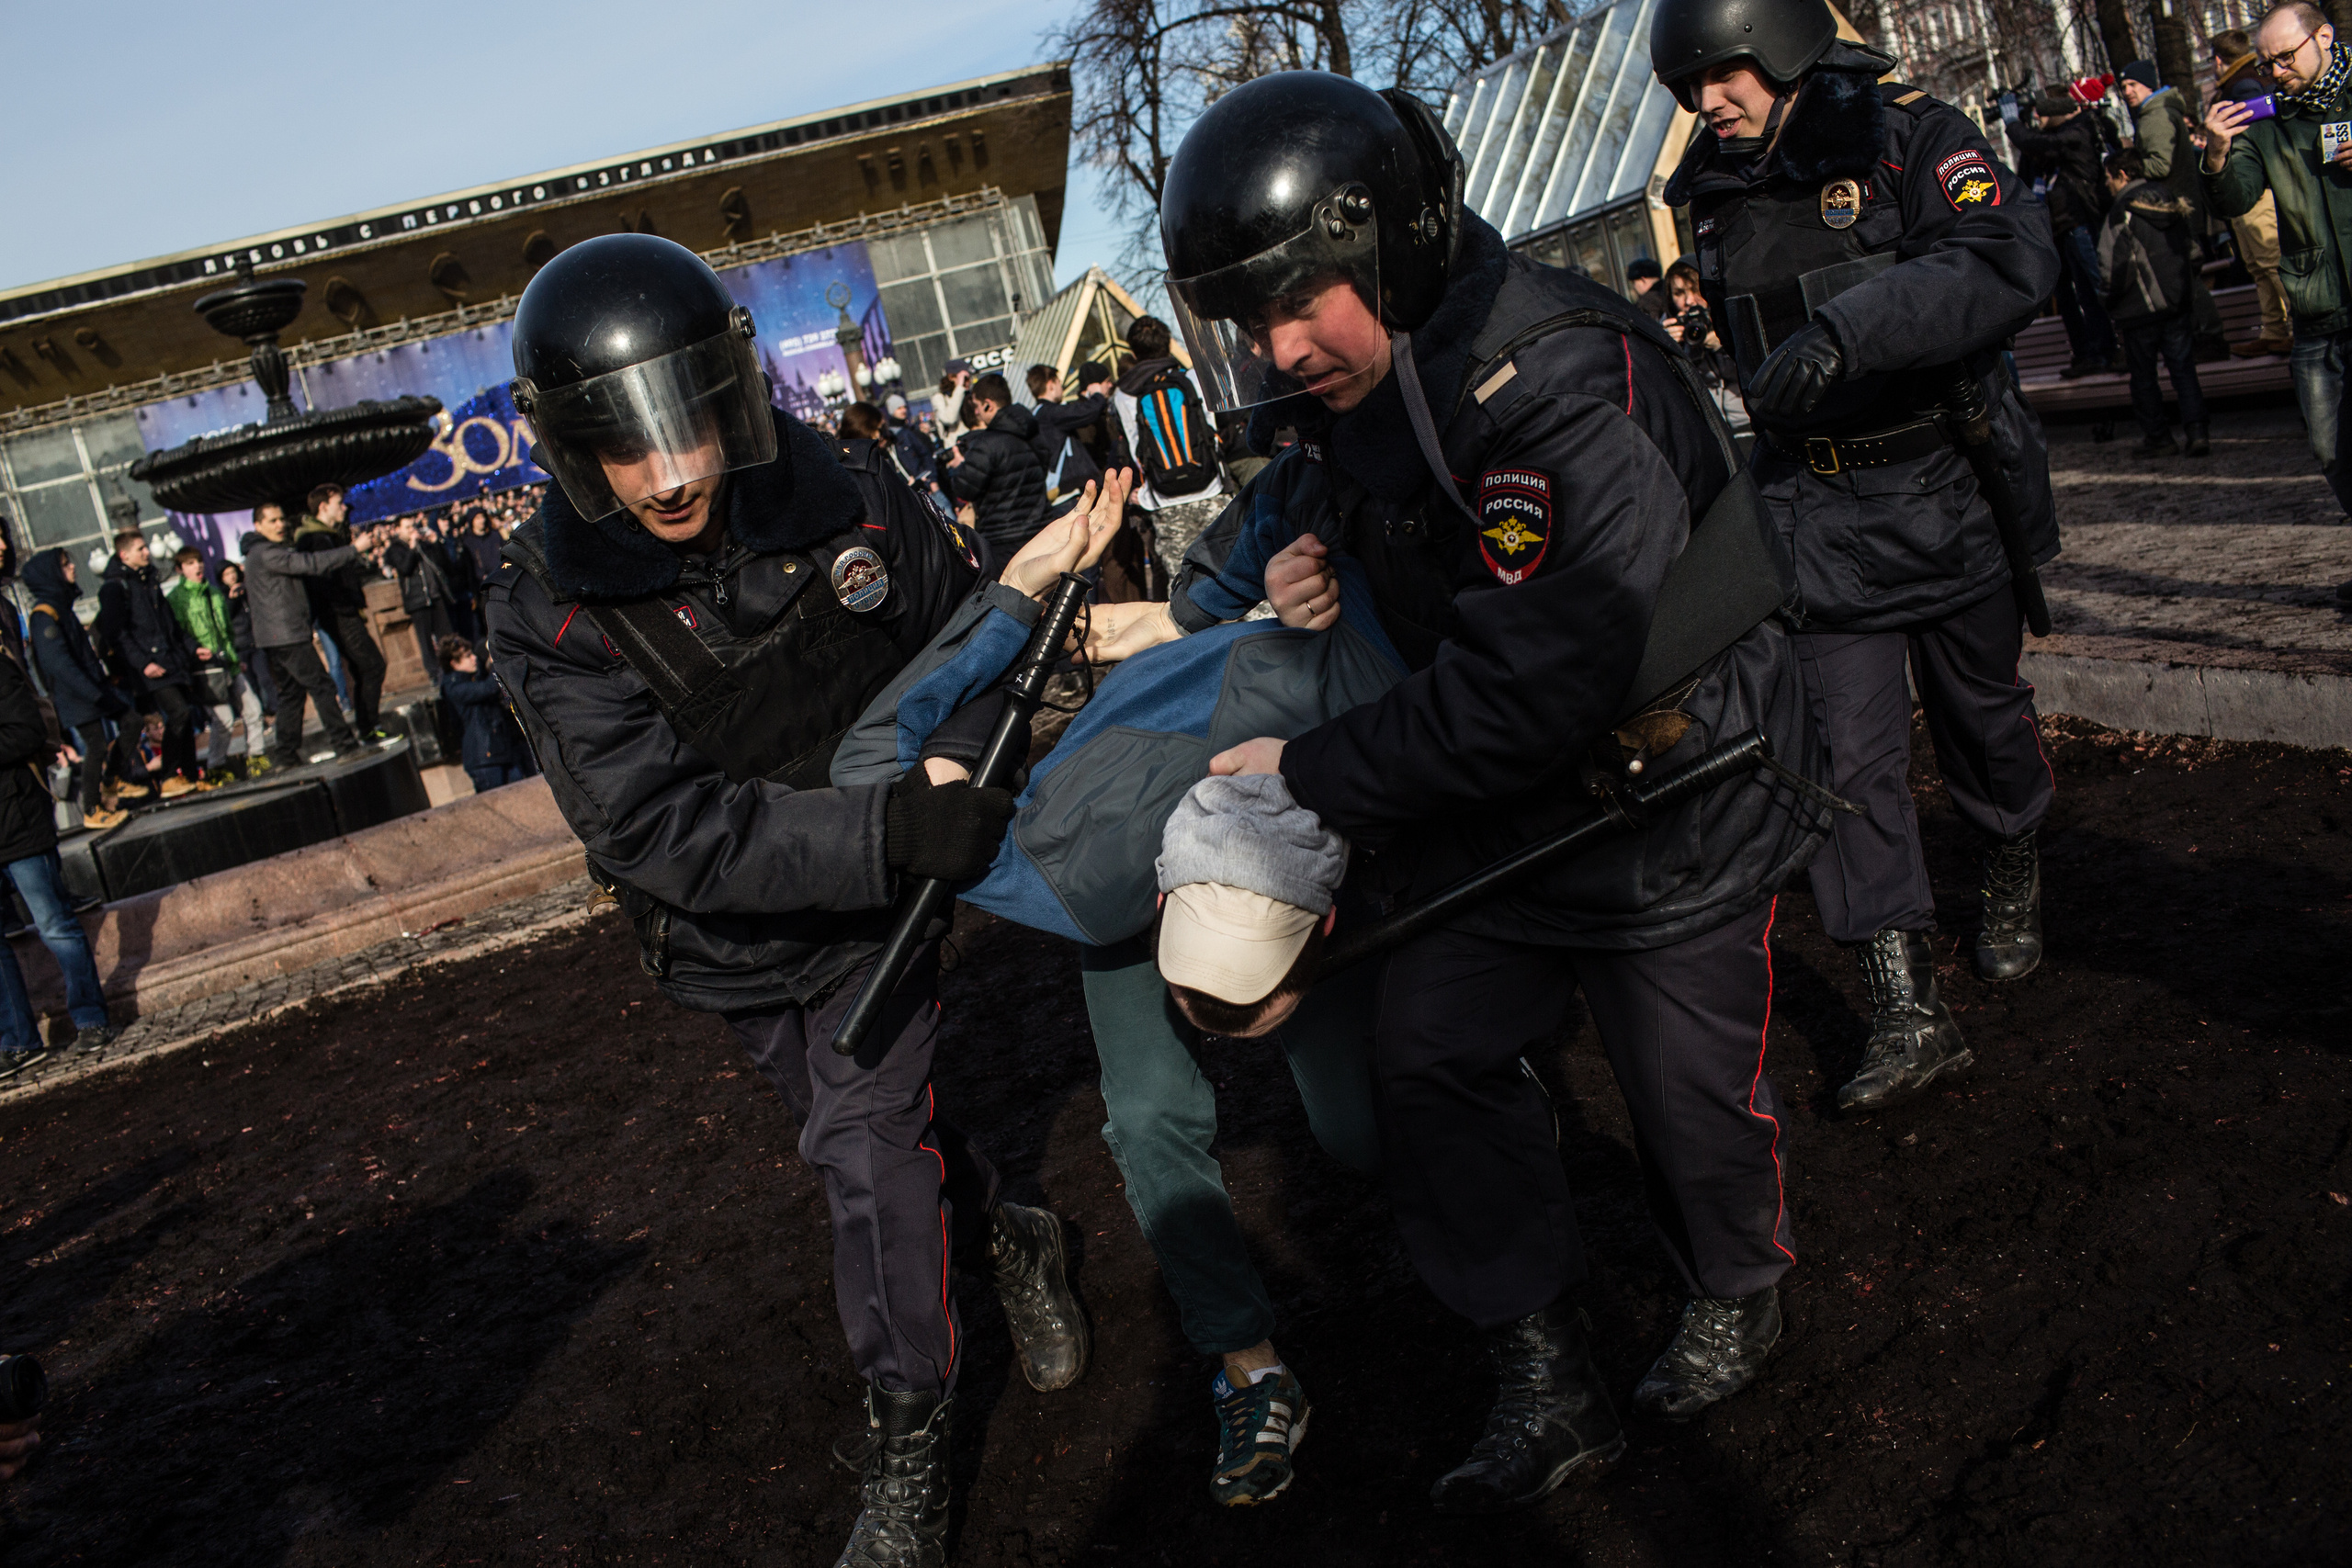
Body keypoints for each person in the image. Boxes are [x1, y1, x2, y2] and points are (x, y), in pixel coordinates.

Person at [1088, 70, 1827, 1512]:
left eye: (1306, 302)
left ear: (1400, 244)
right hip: (1507, 808)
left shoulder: (1550, 379)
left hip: (1668, 788)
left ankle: (1737, 1278)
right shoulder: (1370, 384)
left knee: (1685, 1095)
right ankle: (1544, 1365)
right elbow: (1283, 530)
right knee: (1428, 1056)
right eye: (1252, 320)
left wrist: (1305, 770)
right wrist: (1287, 583)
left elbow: (1533, 685)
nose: (1281, 347)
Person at [483, 233, 1097, 1568]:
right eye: (631, 446)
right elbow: (660, 826)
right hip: (736, 932)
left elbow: (972, 626)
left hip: (887, 896)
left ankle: (909, 1449)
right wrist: (890, 825)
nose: (675, 471)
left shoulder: (847, 489)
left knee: (865, 1151)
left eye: (691, 424)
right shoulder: (551, 610)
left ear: (729, 393)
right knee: (866, 1128)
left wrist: (960, 757)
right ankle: (1012, 1221)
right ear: (572, 448)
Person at [1655, 0, 2064, 1109]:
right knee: (1844, 767)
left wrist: (1848, 333)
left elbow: (2004, 255)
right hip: (1815, 513)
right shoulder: (1712, 184)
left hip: (1940, 490)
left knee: (1983, 717)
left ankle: (2012, 851)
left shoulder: (1911, 135)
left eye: (1724, 75)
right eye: (1691, 87)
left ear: (1782, 46)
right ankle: (1906, 1007)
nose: (1706, 104)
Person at [2204, 2, 2352, 521]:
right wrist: (2217, 152)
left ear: (2325, 37)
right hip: (2317, 309)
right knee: (2332, 451)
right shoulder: (2269, 119)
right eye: (2267, 64)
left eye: (2285, 57)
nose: (2276, 72)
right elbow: (2234, 198)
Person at [0, 637, 116, 1074]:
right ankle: (18, 1042)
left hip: (18, 820)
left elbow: (26, 732)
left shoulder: (1, 669)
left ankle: (91, 1019)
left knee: (55, 925)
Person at [2098, 150, 2211, 457]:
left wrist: (2108, 301)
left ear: (2122, 175)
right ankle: (2197, 433)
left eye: (2108, 177)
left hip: (2138, 309)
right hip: (2175, 302)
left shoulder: (2121, 211)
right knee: (2184, 371)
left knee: (2144, 378)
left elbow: (2112, 268)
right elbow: (2193, 252)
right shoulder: (2169, 197)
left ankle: (2159, 438)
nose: (2107, 184)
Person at [242, 502, 365, 769]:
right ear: (258, 525)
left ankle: (285, 754)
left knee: (291, 694)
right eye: (273, 521)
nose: (280, 525)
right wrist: (354, 550)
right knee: (321, 685)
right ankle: (344, 743)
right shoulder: (266, 553)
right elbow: (311, 563)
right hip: (287, 635)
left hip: (277, 636)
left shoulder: (257, 553)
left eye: (282, 519)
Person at [2009, 89, 2121, 378]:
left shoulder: (2078, 131)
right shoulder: (2062, 136)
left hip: (2079, 222)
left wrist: (2013, 124)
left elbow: (2037, 143)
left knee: (2095, 288)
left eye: (2041, 111)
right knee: (2079, 294)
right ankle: (2094, 352)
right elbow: (2034, 160)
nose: (2037, 117)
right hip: (2061, 226)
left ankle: (2117, 348)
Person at [2119, 60, 2227, 355]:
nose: (2127, 91)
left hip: (2173, 210)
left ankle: (2208, 337)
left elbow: (2159, 164)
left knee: (2185, 277)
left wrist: (2126, 163)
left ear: (2148, 85)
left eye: (2132, 85)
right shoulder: (2163, 111)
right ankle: (2206, 336)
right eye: (2124, 86)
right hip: (2180, 207)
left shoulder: (2155, 116)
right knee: (2186, 275)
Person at [22, 551, 132, 829]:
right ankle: (92, 808)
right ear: (50, 574)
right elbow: (59, 664)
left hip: (92, 689)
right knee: (95, 745)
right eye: (64, 565)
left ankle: (112, 782)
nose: (73, 567)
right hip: (76, 695)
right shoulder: (44, 615)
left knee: (131, 722)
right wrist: (94, 693)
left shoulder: (61, 606)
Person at [1114, 318, 1228, 583]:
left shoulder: (1125, 394)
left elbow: (1135, 448)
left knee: (1186, 586)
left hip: (1164, 500)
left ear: (1133, 352)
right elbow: (1212, 425)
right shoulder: (1193, 377)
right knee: (1235, 570)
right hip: (1211, 487)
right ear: (1168, 345)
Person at [94, 531, 200, 796]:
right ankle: (168, 776)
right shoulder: (116, 587)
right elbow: (116, 633)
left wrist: (190, 648)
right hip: (148, 664)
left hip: (169, 659)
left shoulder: (147, 580)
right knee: (178, 713)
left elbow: (168, 623)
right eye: (141, 549)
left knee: (185, 717)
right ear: (124, 554)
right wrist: (143, 664)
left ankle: (188, 776)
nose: (147, 552)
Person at [2210, 30, 2294, 357]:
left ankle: (2292, 329)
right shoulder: (2242, 80)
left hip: (2255, 188)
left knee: (2270, 263)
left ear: (2218, 60)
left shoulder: (2242, 85)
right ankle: (2274, 331)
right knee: (2259, 266)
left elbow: (2254, 139)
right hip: (2252, 187)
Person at [293, 486, 388, 740]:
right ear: (323, 506)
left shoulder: (326, 535)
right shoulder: (313, 538)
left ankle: (368, 727)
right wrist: (355, 549)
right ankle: (368, 728)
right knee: (372, 666)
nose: (344, 508)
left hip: (344, 610)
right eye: (339, 503)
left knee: (363, 668)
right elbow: (323, 576)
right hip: (338, 612)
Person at [164, 548, 267, 775]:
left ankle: (257, 759)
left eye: (199, 561)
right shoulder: (175, 599)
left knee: (253, 709)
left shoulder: (213, 592)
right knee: (223, 721)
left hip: (228, 663)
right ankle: (215, 767)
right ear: (180, 569)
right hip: (205, 670)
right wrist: (192, 657)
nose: (198, 567)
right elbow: (177, 635)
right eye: (191, 563)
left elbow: (226, 631)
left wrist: (234, 658)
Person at [944, 371, 1050, 563]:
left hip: (1002, 539)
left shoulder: (986, 443)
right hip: (1041, 530)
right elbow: (1044, 466)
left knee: (1015, 592)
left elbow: (964, 489)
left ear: (988, 404)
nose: (975, 412)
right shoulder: (1031, 431)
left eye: (976, 406)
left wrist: (960, 465)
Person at [432, 636, 537, 795]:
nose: (473, 658)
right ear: (454, 663)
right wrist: (496, 661)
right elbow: (488, 688)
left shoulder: (473, 676)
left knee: (523, 796)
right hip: (484, 759)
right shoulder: (454, 687)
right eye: (467, 657)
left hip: (503, 752)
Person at [384, 515, 461, 672]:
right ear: (397, 530)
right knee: (426, 642)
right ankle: (434, 674)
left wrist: (435, 543)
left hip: (435, 596)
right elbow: (405, 568)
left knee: (446, 637)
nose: (412, 530)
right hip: (417, 600)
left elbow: (445, 565)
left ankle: (454, 668)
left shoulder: (424, 545)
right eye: (407, 527)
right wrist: (413, 547)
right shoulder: (395, 549)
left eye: (413, 526)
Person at [218, 562, 276, 718]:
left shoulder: (246, 589)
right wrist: (232, 600)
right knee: (251, 684)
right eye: (227, 573)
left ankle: (275, 710)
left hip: (256, 641)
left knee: (265, 678)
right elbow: (225, 619)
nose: (232, 576)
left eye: (233, 572)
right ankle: (261, 716)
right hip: (239, 646)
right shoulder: (221, 597)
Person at [1626, 254, 1672, 321]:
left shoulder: (1646, 303)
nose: (1634, 287)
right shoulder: (1671, 292)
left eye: (1634, 283)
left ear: (1643, 280)